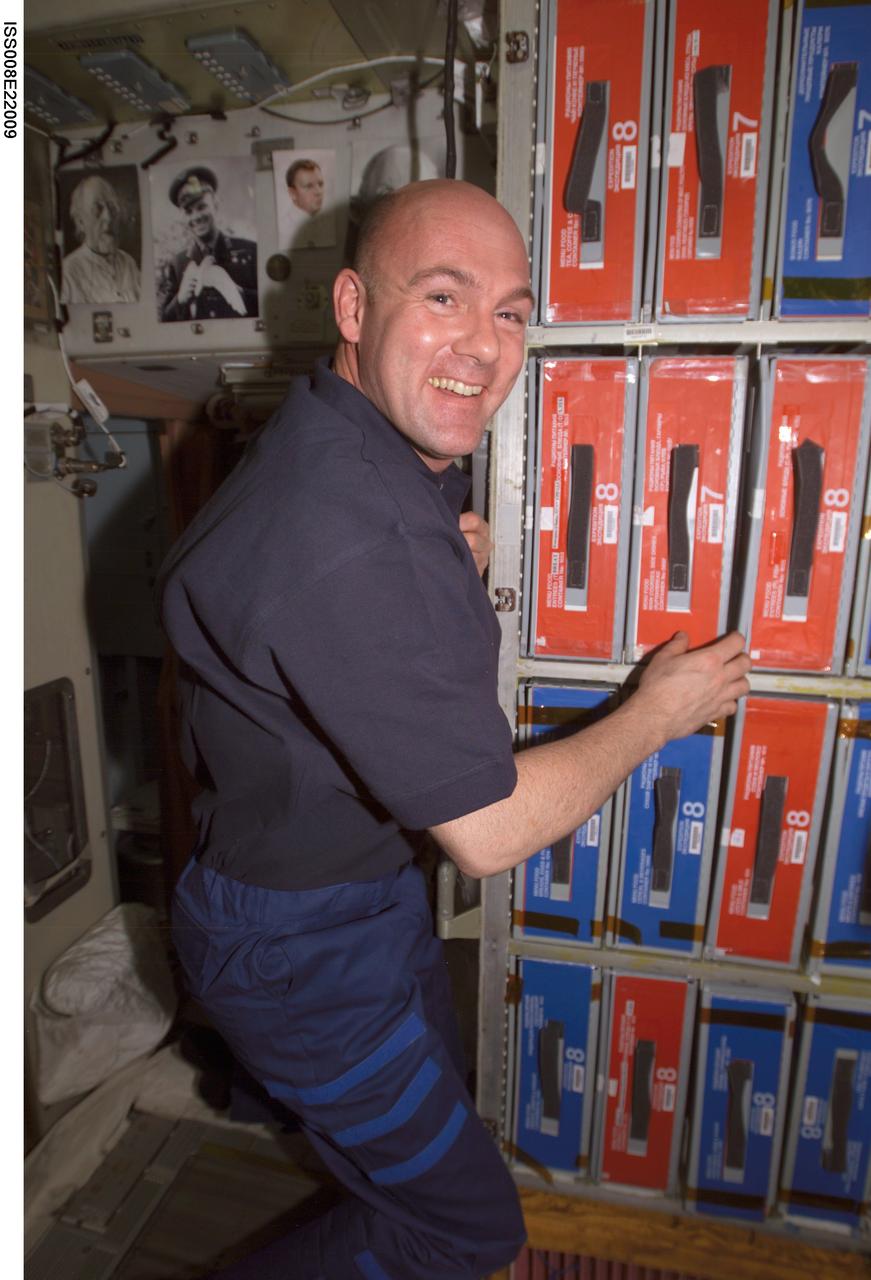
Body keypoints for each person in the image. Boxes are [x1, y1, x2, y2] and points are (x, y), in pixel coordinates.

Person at [159, 179, 751, 1280]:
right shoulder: (351, 534)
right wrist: (654, 713)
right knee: (462, 1229)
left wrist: (440, 548)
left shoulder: (345, 437)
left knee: (420, 1153)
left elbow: (341, 570)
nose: (484, 343)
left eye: (510, 311)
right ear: (352, 305)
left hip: (350, 890)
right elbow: (486, 831)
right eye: (443, 295)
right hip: (302, 945)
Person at [158, 166, 258, 322]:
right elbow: (164, 322)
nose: (196, 217)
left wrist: (239, 292)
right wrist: (180, 299)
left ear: (216, 204)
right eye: (188, 212)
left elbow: (273, 304)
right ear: (183, 217)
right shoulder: (178, 263)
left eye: (202, 207)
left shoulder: (249, 250)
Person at [60, 173, 141, 305]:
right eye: (97, 208)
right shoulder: (68, 271)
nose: (108, 218)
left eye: (112, 208)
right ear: (81, 222)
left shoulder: (128, 263)